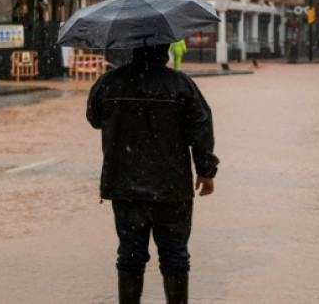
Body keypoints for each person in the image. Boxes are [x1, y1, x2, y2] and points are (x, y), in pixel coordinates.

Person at [86, 43, 219, 304]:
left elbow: (94, 118)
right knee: (175, 255)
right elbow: (201, 126)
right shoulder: (181, 84)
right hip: (172, 189)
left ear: (132, 48)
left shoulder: (109, 82)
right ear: (166, 49)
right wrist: (206, 171)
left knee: (130, 255)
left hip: (125, 186)